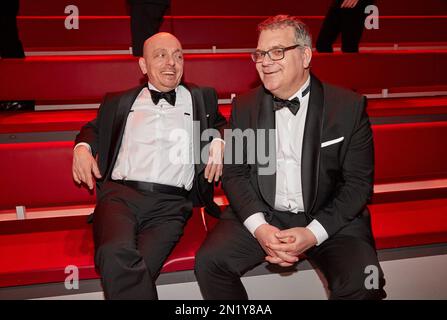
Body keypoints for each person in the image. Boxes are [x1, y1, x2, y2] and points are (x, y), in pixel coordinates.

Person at [195, 15, 386, 300]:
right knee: (210, 263)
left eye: (277, 52)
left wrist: (312, 234)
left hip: (328, 215)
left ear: (305, 55)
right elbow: (235, 175)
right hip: (265, 210)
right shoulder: (244, 106)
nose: (265, 61)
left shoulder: (348, 107)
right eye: (260, 54)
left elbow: (358, 185)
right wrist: (260, 229)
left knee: (365, 283)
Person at [72, 32, 227, 299]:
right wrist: (82, 148)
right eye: (161, 55)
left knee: (135, 268)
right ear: (143, 66)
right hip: (120, 197)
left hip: (171, 205)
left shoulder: (202, 97)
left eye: (178, 56)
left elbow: (225, 127)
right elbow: (92, 130)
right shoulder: (118, 101)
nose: (171, 63)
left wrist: (220, 141)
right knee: (113, 252)